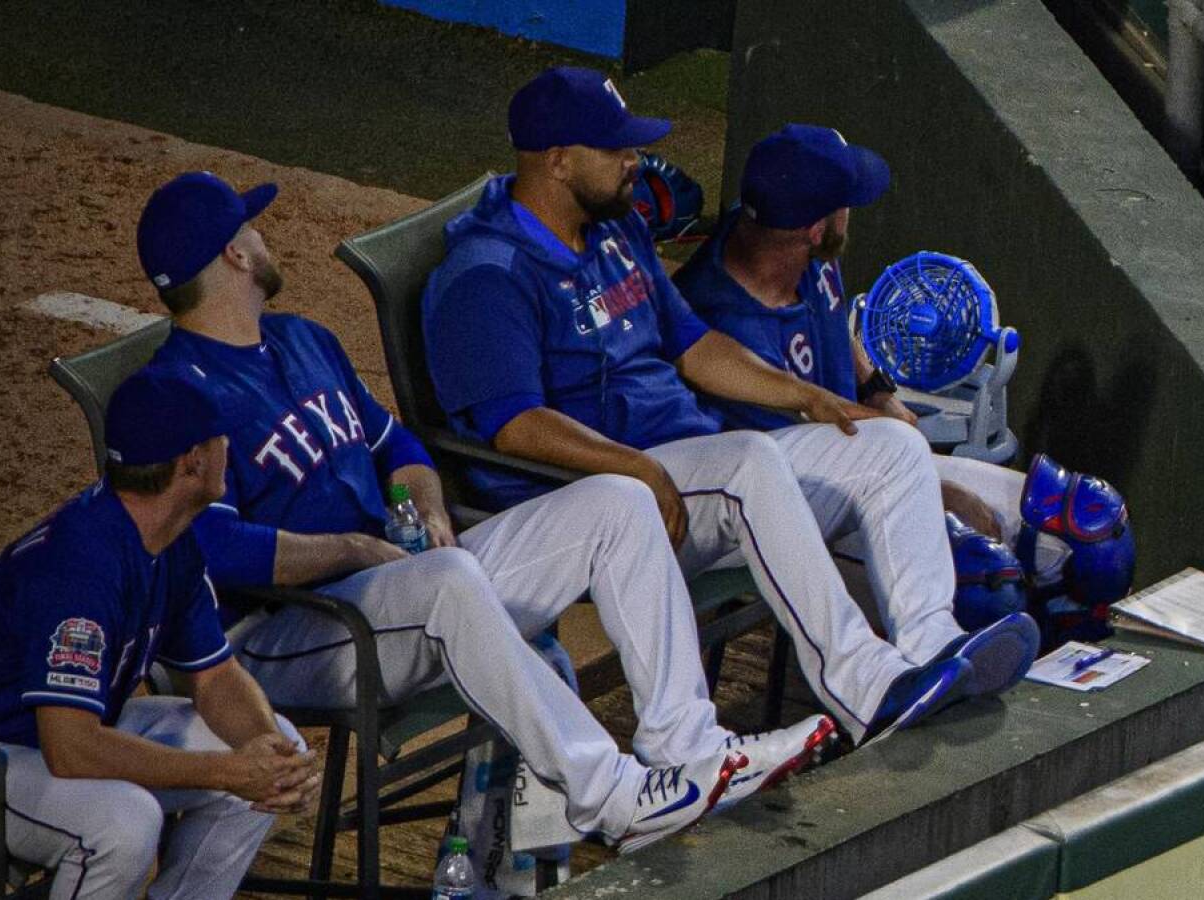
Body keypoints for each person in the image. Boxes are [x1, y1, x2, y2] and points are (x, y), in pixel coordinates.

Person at [137, 171, 830, 853]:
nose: (264, 238)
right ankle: (608, 792)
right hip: (285, 633)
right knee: (450, 584)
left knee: (618, 500)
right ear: (234, 253)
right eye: (252, 228)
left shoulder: (301, 338)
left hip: (400, 587)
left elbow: (397, 445)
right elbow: (216, 550)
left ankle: (688, 742)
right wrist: (358, 550)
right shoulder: (176, 394)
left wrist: (425, 507)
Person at [422, 67, 1040, 747]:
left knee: (890, 448)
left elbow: (693, 346)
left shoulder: (614, 230)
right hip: (596, 497)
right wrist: (636, 469)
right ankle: (865, 686)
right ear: (558, 160)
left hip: (692, 471)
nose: (636, 161)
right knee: (747, 459)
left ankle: (930, 647)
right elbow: (516, 427)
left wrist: (807, 396)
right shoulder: (487, 275)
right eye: (616, 150)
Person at [0, 364, 319, 899]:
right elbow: (70, 749)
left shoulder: (170, 536)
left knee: (268, 748)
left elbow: (215, 678)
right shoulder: (82, 564)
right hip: (5, 753)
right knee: (123, 826)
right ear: (192, 461)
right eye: (220, 439)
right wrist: (225, 772)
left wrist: (266, 756)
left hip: (70, 730)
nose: (228, 449)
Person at [672, 124, 1028, 547]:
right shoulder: (727, 330)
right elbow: (813, 457)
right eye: (845, 204)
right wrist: (934, 487)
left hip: (867, 448)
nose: (851, 211)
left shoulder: (778, 233)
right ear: (817, 229)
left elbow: (834, 315)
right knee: (988, 560)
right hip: (801, 503)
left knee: (1057, 511)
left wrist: (876, 388)